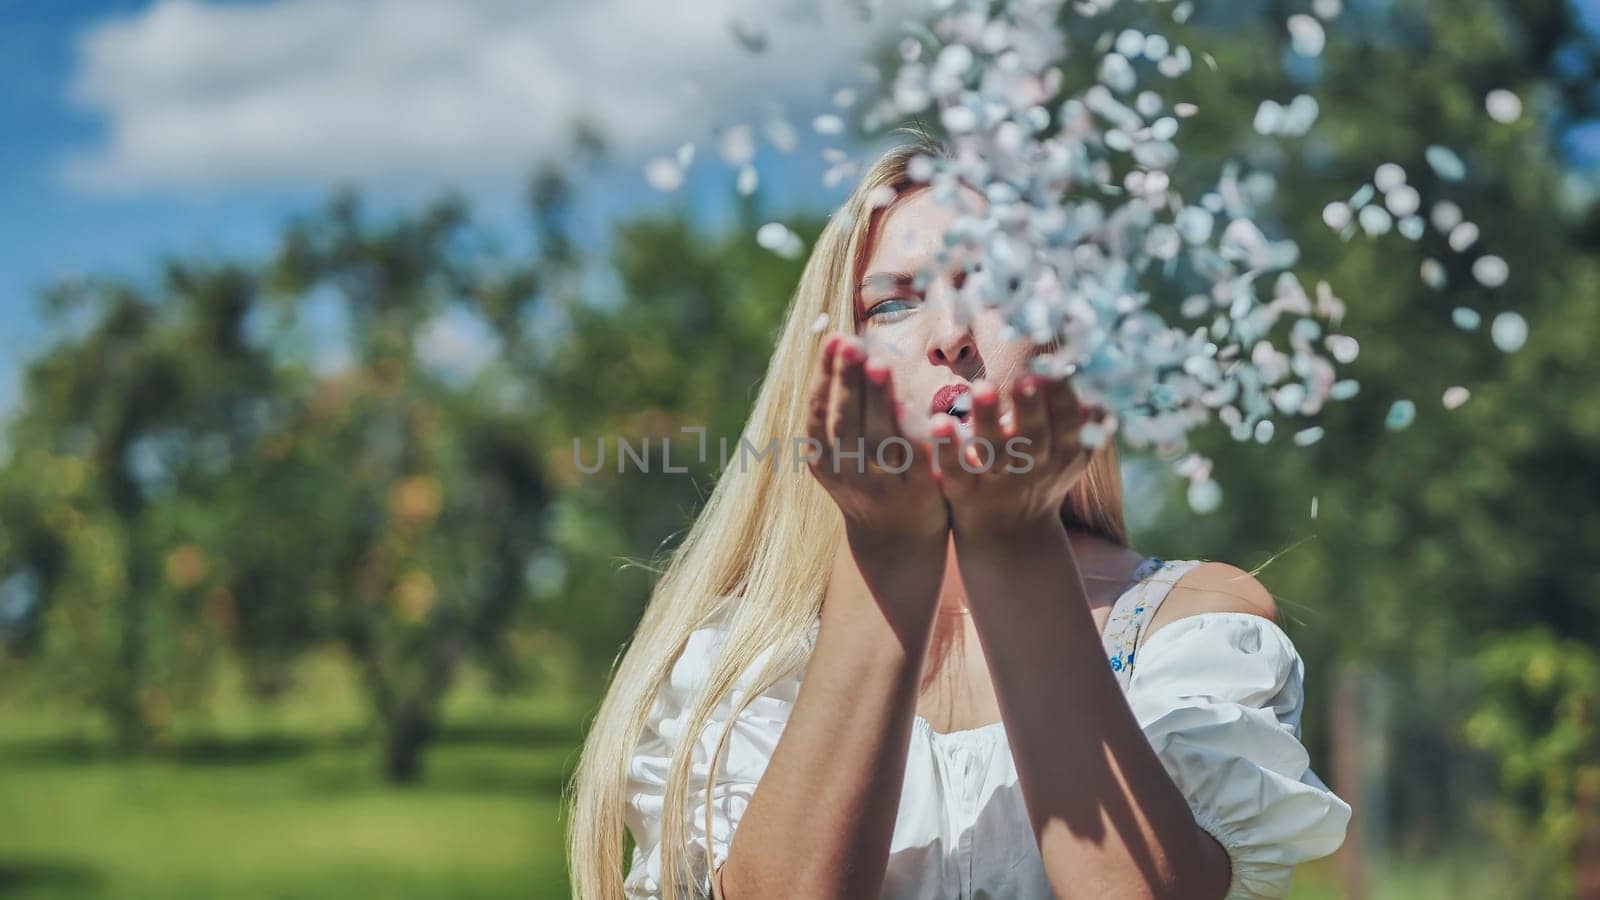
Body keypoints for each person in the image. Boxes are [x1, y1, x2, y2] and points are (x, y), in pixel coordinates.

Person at [565, 138, 1352, 899]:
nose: (951, 337)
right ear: (833, 361)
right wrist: (887, 555)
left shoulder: (1190, 627)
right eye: (895, 302)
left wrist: (1013, 543)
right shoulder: (742, 665)